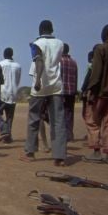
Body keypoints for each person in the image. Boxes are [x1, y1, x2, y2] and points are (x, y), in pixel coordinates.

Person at [20, 20, 66, 166]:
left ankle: (30, 152)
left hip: (40, 85)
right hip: (56, 85)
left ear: (40, 30)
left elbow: (39, 61)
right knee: (57, 120)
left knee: (34, 117)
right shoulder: (60, 43)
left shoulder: (36, 44)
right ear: (52, 30)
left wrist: (38, 79)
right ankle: (59, 156)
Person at [81, 24, 108, 165]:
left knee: (93, 121)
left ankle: (96, 152)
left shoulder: (100, 49)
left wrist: (90, 90)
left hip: (100, 92)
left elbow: (96, 73)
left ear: (103, 34)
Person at [0, 47, 21, 144]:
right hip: (13, 92)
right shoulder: (18, 66)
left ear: (4, 54)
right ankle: (8, 136)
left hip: (2, 92)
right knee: (10, 116)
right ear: (12, 54)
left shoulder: (0, 64)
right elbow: (18, 80)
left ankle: (4, 129)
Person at [59, 43, 78, 142]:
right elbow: (76, 77)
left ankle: (63, 134)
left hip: (61, 91)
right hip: (71, 91)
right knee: (70, 113)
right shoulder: (73, 62)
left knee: (60, 113)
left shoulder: (58, 62)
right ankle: (69, 134)